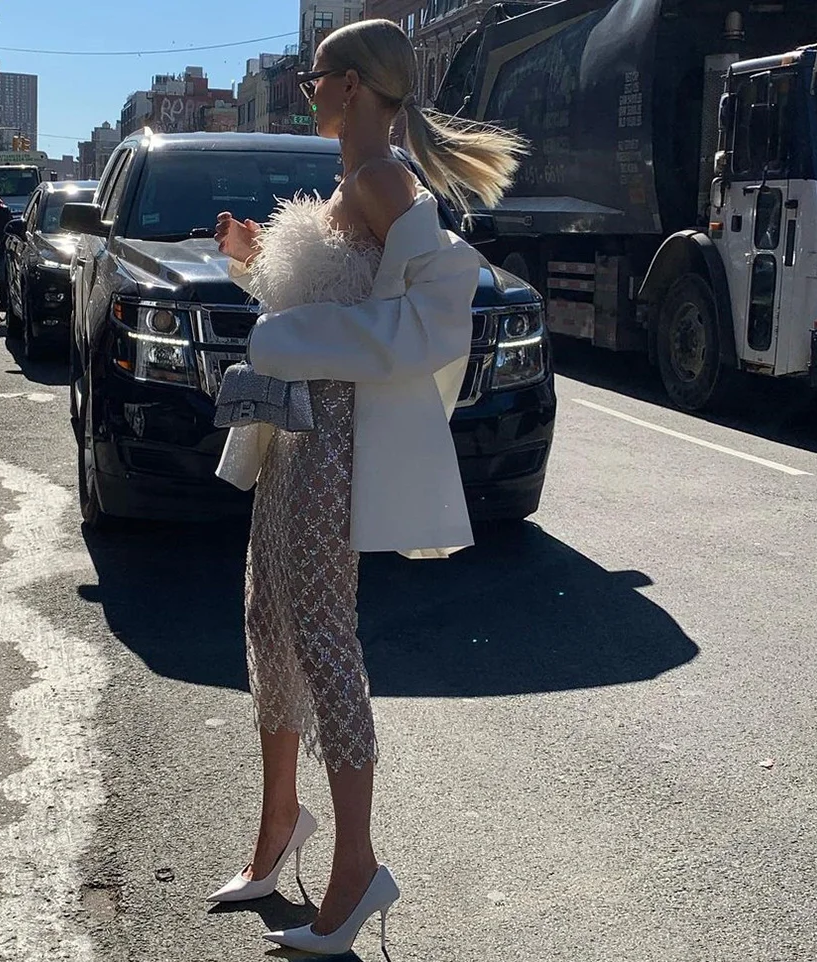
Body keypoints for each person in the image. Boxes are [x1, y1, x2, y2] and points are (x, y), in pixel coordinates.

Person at [210, 17, 526, 956]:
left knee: (321, 636)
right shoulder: (357, 181)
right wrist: (251, 261)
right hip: (295, 437)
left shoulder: (385, 180)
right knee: (269, 621)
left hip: (336, 442)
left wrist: (289, 338)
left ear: (350, 85)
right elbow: (334, 302)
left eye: (316, 76)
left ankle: (356, 868)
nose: (307, 89)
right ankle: (278, 828)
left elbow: (433, 315)